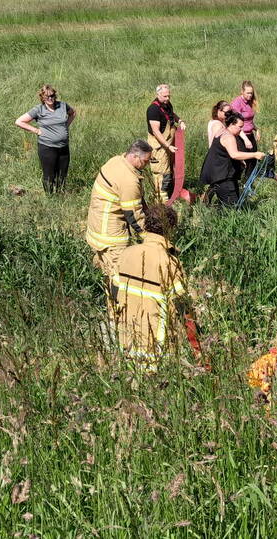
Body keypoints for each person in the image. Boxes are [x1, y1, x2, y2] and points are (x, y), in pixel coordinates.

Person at [110, 204, 187, 365]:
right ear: (170, 229)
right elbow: (182, 307)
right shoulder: (170, 263)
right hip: (156, 351)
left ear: (146, 225)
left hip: (126, 345)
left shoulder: (126, 254)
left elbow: (114, 293)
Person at [86, 140, 152, 278]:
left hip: (96, 223)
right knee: (119, 273)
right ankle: (113, 291)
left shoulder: (117, 160)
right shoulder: (129, 181)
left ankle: (99, 284)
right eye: (145, 161)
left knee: (102, 264)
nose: (147, 165)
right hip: (110, 234)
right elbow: (133, 215)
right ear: (135, 156)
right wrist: (149, 237)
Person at [14, 85, 76, 193]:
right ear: (42, 97)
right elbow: (19, 121)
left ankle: (60, 195)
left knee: (62, 174)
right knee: (49, 175)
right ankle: (49, 197)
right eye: (47, 96)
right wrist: (36, 130)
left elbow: (73, 113)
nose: (50, 98)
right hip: (47, 147)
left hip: (63, 147)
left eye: (52, 95)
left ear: (55, 95)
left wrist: (66, 126)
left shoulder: (62, 106)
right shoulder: (39, 109)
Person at [200, 110, 265, 206]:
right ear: (231, 124)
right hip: (222, 176)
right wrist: (255, 154)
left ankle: (214, 196)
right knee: (232, 207)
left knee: (233, 202)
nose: (241, 130)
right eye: (240, 127)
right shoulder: (228, 137)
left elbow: (228, 152)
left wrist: (240, 161)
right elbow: (234, 154)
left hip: (218, 172)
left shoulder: (223, 131)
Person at [147, 84, 185, 203]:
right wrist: (168, 146)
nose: (167, 98)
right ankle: (161, 201)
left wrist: (180, 121)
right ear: (157, 94)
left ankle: (170, 195)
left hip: (168, 145)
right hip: (159, 147)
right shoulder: (153, 110)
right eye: (164, 96)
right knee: (162, 173)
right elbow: (156, 131)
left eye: (169, 96)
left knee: (170, 170)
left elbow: (171, 114)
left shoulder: (167, 104)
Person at [231, 80, 259, 179]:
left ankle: (248, 183)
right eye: (248, 93)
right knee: (240, 162)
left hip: (250, 134)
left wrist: (256, 129)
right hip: (240, 136)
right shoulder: (236, 103)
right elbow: (236, 125)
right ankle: (236, 182)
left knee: (253, 160)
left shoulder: (250, 102)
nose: (250, 95)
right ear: (242, 91)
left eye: (251, 93)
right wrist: (245, 139)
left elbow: (249, 120)